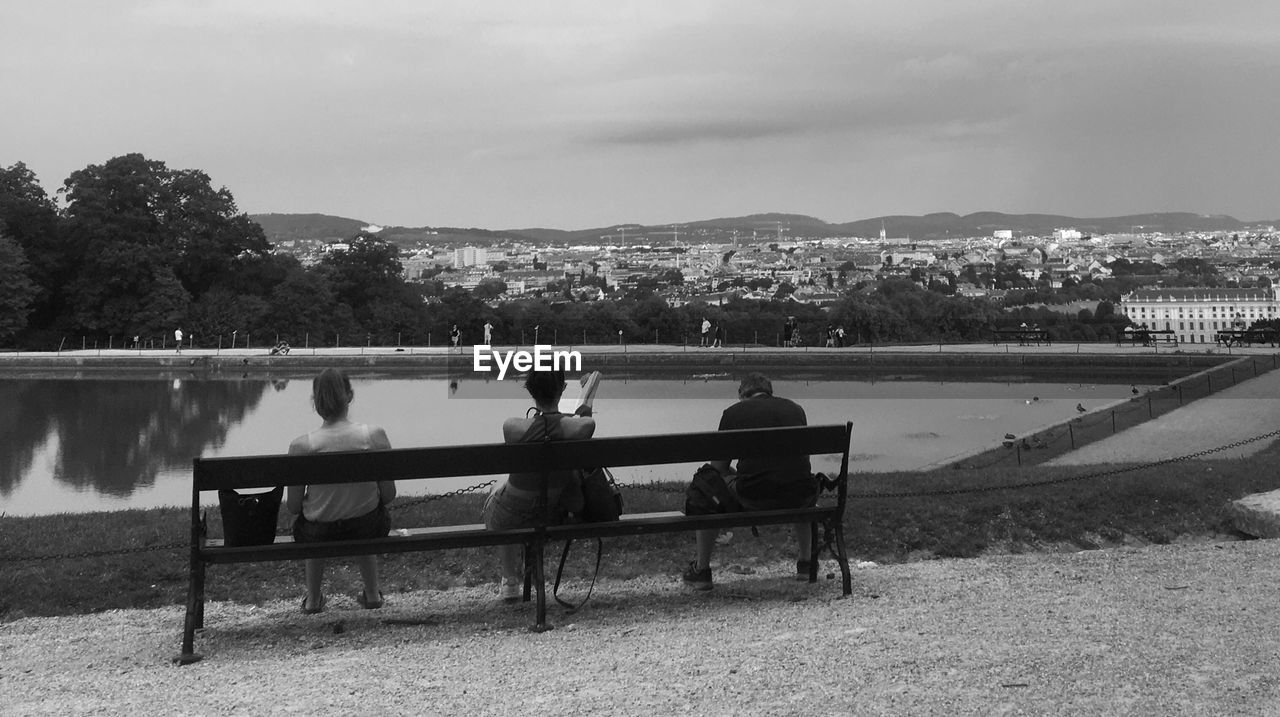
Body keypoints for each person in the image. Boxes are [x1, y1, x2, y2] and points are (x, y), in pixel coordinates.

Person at [683, 372, 818, 591]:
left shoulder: (734, 413)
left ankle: (702, 569)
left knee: (708, 487)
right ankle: (805, 564)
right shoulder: (795, 409)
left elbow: (718, 468)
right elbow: (798, 463)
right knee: (792, 479)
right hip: (799, 493)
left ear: (742, 394)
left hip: (754, 495)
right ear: (769, 391)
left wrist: (734, 473)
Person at [285, 369, 396, 613]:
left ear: (315, 402)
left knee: (312, 520)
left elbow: (293, 507)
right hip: (367, 527)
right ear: (350, 396)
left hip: (318, 533)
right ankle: (372, 594)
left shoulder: (301, 446)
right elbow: (388, 496)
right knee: (365, 517)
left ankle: (313, 600)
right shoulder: (375, 436)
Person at [483, 367, 595, 602]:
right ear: (562, 389)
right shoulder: (575, 428)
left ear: (531, 391)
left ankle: (509, 580)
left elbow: (535, 427)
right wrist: (579, 409)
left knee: (502, 487)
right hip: (549, 513)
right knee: (533, 499)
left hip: (509, 516)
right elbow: (586, 425)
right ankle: (531, 571)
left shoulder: (512, 427)